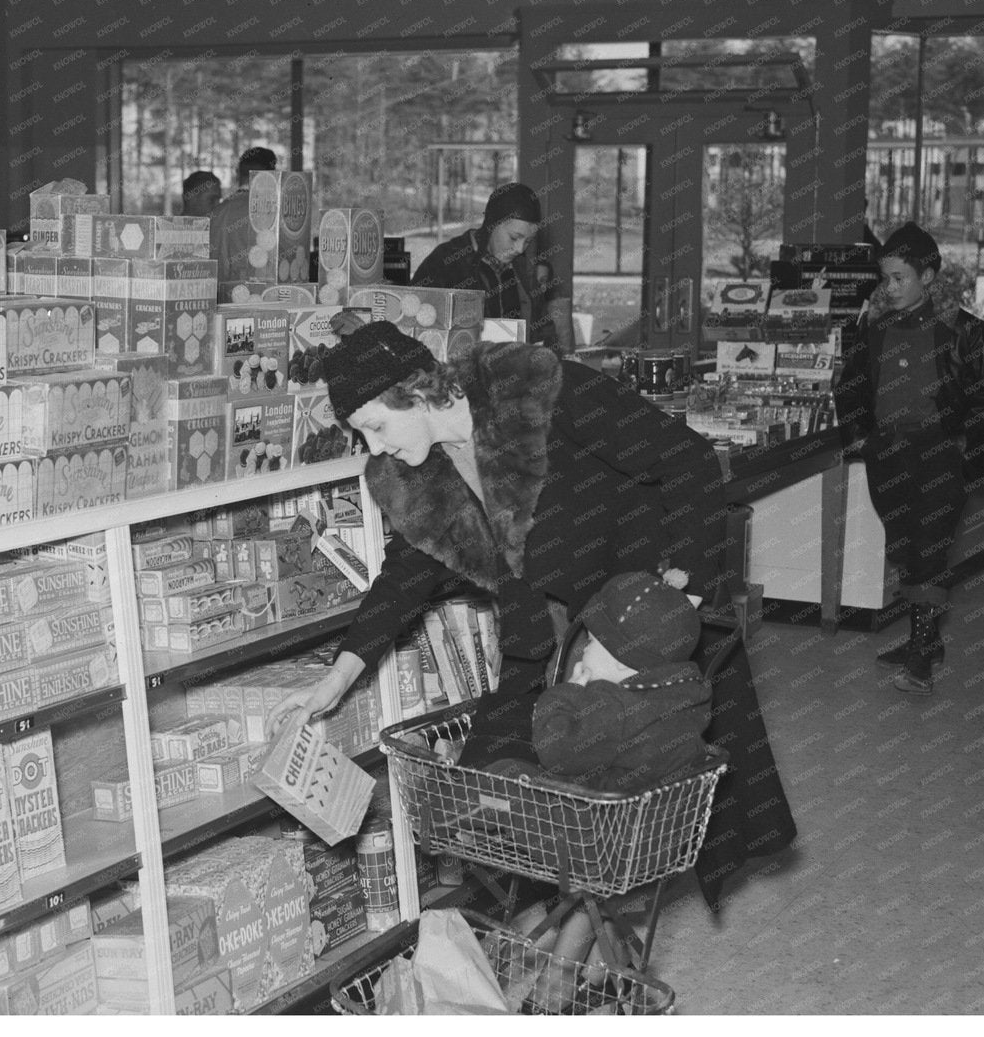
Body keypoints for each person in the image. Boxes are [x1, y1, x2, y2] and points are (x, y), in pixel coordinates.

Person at [265, 318, 795, 908]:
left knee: (624, 807)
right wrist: (335, 679)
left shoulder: (540, 392)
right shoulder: (414, 476)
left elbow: (688, 461)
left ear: (414, 391)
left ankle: (573, 966)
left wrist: (674, 610)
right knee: (505, 807)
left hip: (629, 621)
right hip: (542, 644)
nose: (375, 448)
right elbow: (405, 576)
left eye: (375, 427)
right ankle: (567, 959)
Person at [834, 222, 984, 695]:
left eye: (900, 277)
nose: (890, 287)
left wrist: (966, 446)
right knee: (905, 550)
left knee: (928, 551)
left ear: (928, 276)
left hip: (940, 457)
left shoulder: (966, 330)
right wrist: (860, 436)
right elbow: (850, 385)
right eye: (886, 278)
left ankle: (921, 658)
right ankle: (923, 639)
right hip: (888, 455)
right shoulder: (876, 326)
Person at [474, 570, 713, 793]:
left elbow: (555, 752)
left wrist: (565, 694)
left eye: (589, 643)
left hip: (594, 822)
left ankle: (452, 817)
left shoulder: (615, 705)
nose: (583, 650)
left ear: (622, 658)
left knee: (505, 773)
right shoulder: (681, 696)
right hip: (647, 817)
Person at [411, 181, 573, 351]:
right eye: (513, 237)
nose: (519, 249)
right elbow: (414, 323)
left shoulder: (525, 270)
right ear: (491, 224)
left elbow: (543, 333)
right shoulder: (446, 261)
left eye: (528, 241)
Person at [208, 146, 277, 284]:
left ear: (238, 172)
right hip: (261, 295)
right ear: (271, 174)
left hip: (217, 295)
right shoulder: (273, 213)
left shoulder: (216, 212)